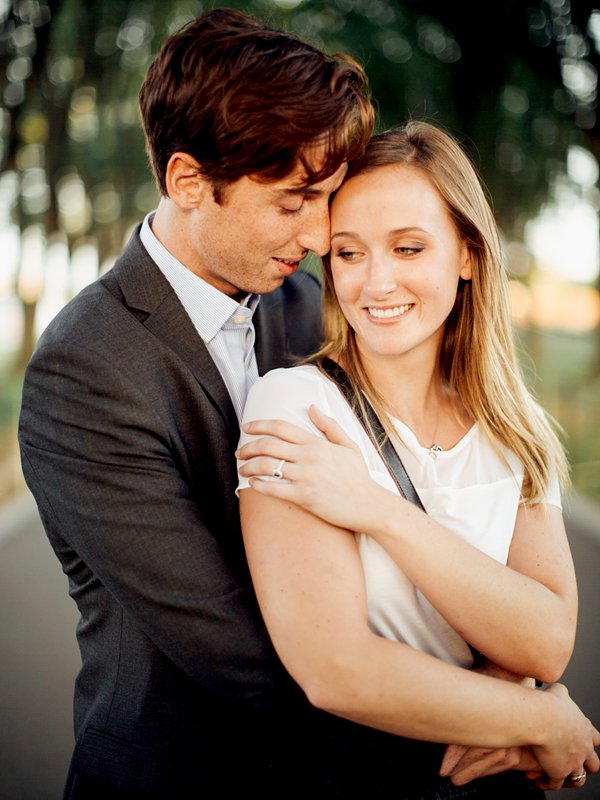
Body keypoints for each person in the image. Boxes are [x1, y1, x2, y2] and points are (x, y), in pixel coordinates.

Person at [17, 8, 379, 798]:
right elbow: (230, 644)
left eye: (328, 200)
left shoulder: (308, 307)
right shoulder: (81, 369)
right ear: (188, 182)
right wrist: (466, 720)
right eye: (292, 202)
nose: (319, 234)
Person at [236, 121, 600, 797]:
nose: (377, 282)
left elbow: (547, 641)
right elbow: (335, 669)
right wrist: (542, 717)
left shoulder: (514, 431)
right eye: (349, 253)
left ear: (466, 253)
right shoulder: (295, 410)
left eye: (408, 248)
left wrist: (379, 512)